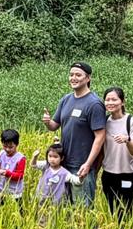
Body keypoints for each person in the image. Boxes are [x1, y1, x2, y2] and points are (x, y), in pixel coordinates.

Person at [42, 62, 107, 207]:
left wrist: (88, 164)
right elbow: (54, 126)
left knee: (82, 209)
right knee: (63, 207)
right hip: (63, 164)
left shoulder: (94, 104)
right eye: (71, 75)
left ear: (88, 78)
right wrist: (47, 122)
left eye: (78, 75)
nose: (73, 78)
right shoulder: (66, 99)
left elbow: (100, 136)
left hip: (81, 166)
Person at [100, 86, 133, 220]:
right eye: (107, 100)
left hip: (129, 173)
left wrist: (127, 141)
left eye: (114, 99)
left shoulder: (132, 122)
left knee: (129, 212)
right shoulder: (104, 122)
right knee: (112, 211)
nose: (110, 103)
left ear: (123, 102)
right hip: (109, 174)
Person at [0, 129, 26, 203]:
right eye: (5, 146)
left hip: (14, 193)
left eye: (11, 147)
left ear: (17, 144)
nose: (7, 149)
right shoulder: (0, 154)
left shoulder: (20, 158)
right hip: (0, 190)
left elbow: (19, 176)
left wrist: (7, 173)